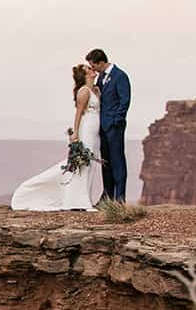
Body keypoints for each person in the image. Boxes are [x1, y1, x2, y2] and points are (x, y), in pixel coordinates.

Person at [10, 64, 104, 211]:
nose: (93, 70)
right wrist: (76, 133)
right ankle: (79, 200)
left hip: (95, 131)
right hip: (87, 129)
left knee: (90, 163)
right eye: (89, 70)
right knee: (83, 163)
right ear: (85, 76)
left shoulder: (96, 90)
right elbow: (79, 113)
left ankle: (83, 197)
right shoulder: (84, 91)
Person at [86, 48, 130, 201]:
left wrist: (116, 121)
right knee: (106, 162)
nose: (93, 69)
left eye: (93, 65)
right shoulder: (101, 78)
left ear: (101, 62)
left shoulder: (120, 76)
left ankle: (120, 197)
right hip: (102, 127)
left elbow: (124, 101)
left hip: (114, 127)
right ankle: (107, 195)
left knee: (117, 160)